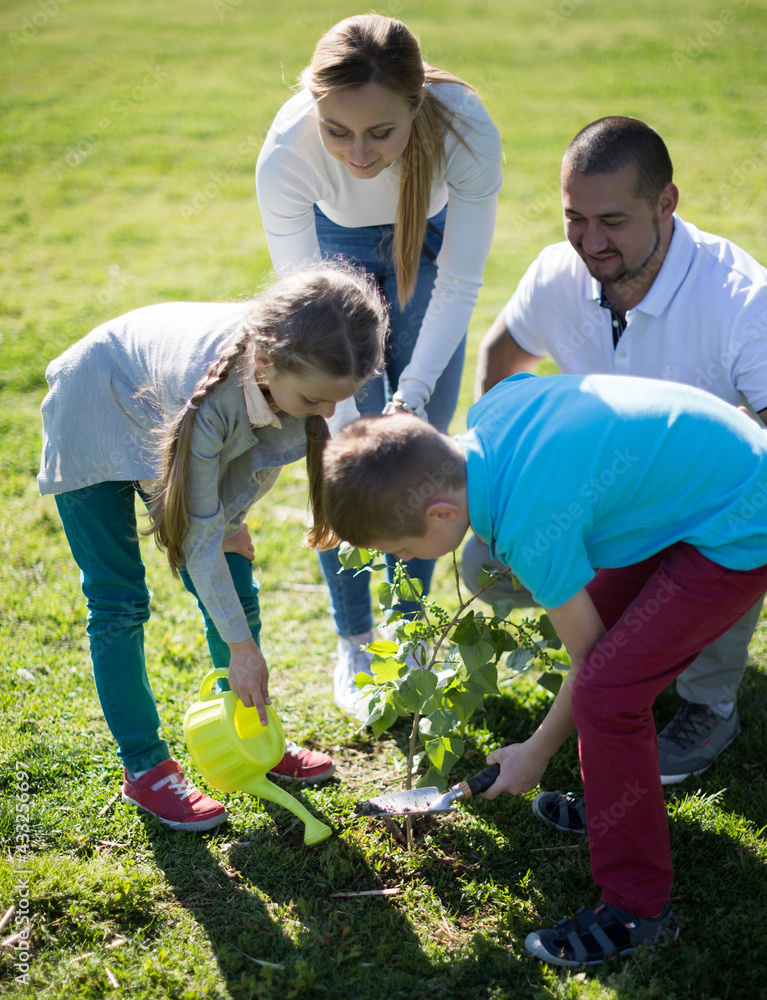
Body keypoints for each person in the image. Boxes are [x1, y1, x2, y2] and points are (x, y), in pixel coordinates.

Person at [318, 372, 767, 966]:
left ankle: (639, 912)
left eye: (400, 549)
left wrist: (536, 750)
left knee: (610, 694)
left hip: (737, 518)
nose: (401, 560)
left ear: (441, 512)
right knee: (608, 664)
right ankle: (617, 800)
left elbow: (594, 672)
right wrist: (537, 746)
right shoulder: (490, 417)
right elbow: (532, 385)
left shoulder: (530, 523)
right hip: (697, 485)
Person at [466, 116, 767, 797]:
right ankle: (604, 646)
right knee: (483, 561)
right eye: (574, 217)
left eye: (612, 221)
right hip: (598, 503)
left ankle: (708, 700)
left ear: (666, 203)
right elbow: (500, 356)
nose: (589, 243)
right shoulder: (556, 273)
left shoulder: (742, 301)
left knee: (722, 527)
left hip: (711, 512)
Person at [38, 264, 387, 831]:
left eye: (336, 400)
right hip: (96, 405)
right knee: (118, 599)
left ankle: (253, 734)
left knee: (235, 568)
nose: (327, 414)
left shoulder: (289, 381)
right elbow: (196, 535)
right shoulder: (218, 396)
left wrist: (231, 520)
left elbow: (228, 501)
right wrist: (244, 650)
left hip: (163, 405)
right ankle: (145, 767)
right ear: (269, 362)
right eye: (316, 398)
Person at [255, 13, 502, 716]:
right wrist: (345, 414)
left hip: (430, 238)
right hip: (330, 247)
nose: (358, 153)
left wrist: (412, 397)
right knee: (343, 453)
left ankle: (408, 627)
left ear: (415, 105)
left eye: (379, 132)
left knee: (421, 448)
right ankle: (356, 638)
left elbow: (457, 285)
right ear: (313, 106)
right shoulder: (286, 155)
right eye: (338, 130)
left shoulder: (464, 127)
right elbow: (311, 316)